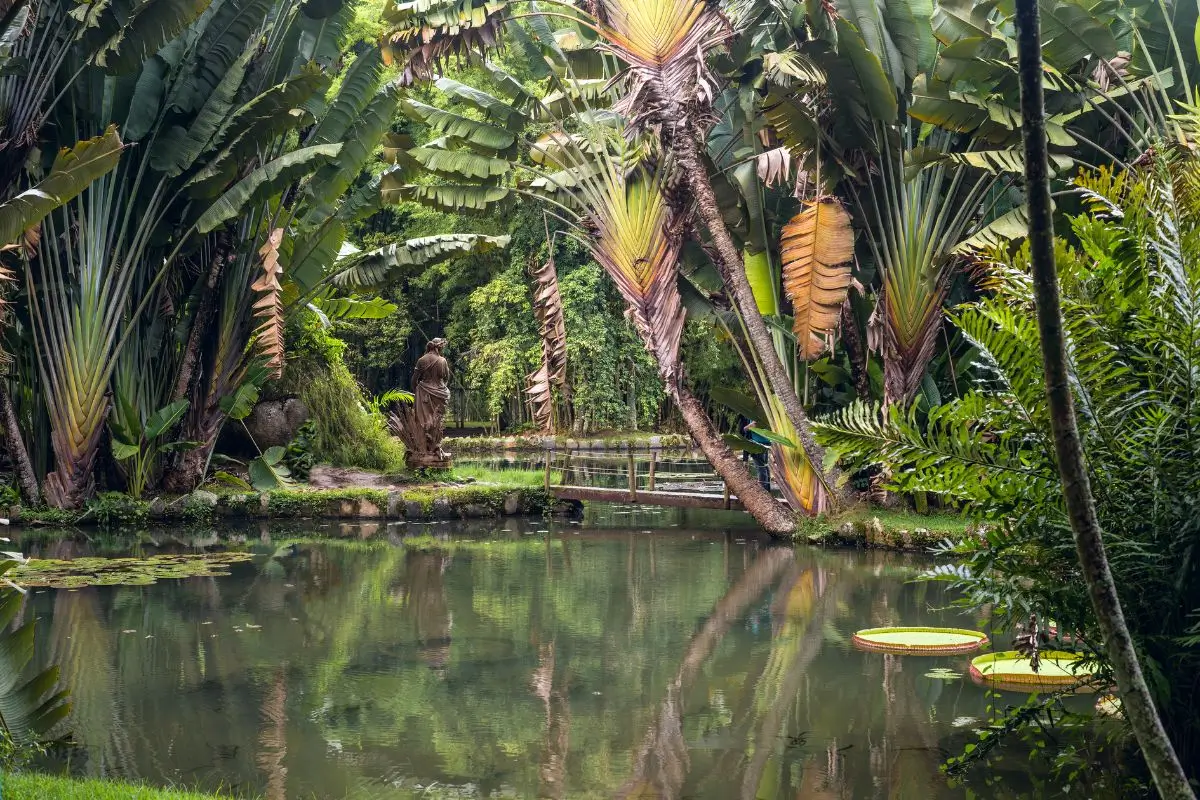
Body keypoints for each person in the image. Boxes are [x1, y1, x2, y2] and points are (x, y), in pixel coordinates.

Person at [413, 338, 452, 459]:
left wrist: (417, 390)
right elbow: (446, 378)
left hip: (424, 392)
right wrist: (440, 386)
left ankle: (424, 449)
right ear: (439, 348)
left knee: (423, 420)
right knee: (437, 421)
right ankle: (434, 448)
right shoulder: (442, 361)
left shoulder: (421, 360)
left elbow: (414, 379)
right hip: (440, 393)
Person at [743, 419, 772, 492]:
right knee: (764, 466)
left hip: (759, 444)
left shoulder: (755, 416)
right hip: (764, 443)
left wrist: (747, 427)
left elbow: (752, 426)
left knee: (761, 467)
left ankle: (763, 489)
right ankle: (767, 489)